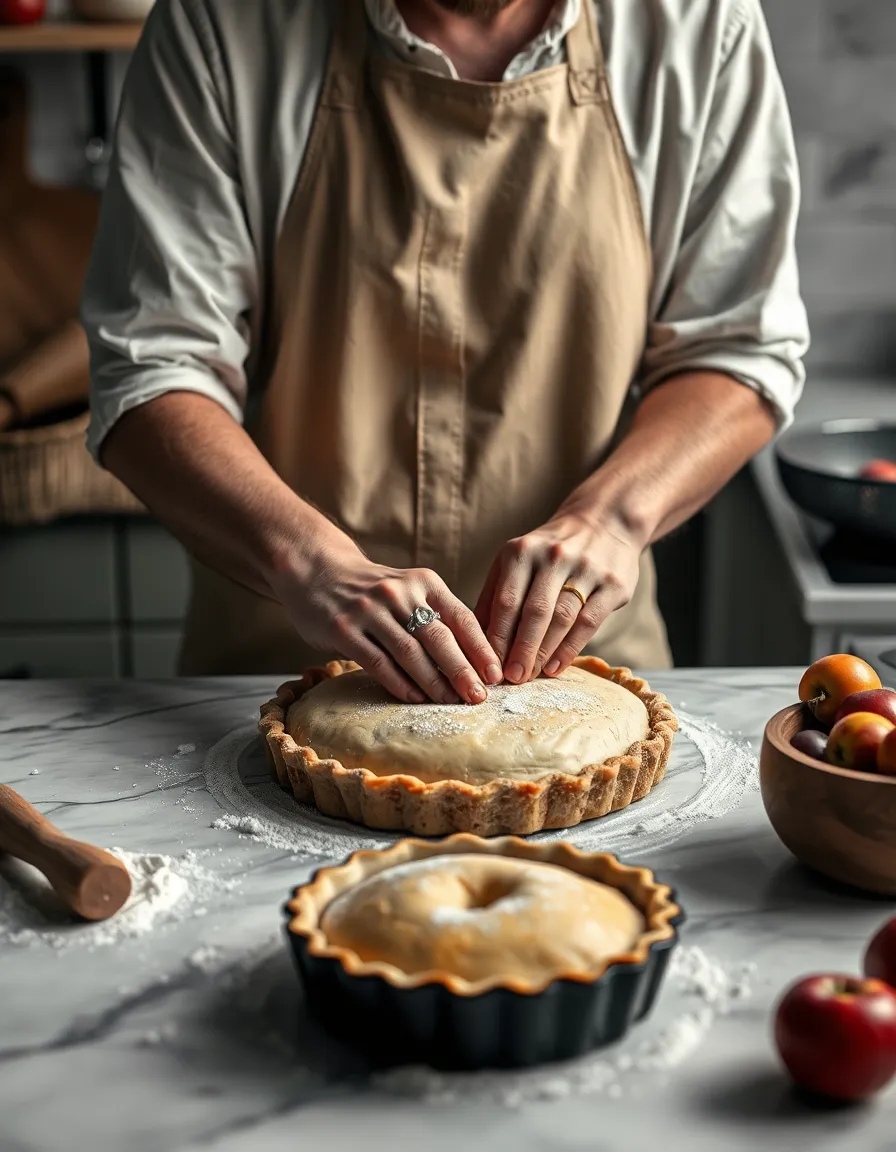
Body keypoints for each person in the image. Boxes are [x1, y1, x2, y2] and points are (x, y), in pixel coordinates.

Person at [82, 0, 809, 706]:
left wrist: (612, 520)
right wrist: (308, 563)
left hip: (579, 678)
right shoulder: (219, 22)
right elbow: (152, 366)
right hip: (276, 678)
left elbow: (738, 346)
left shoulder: (700, 24)